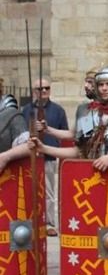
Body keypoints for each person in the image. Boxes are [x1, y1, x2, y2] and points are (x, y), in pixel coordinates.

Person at [33, 65, 108, 169]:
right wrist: (44, 148)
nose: (104, 88)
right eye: (101, 85)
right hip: (91, 179)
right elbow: (78, 152)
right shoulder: (88, 115)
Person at [20, 77, 68, 234]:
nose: (44, 91)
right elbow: (21, 132)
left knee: (49, 192)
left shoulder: (58, 110)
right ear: (34, 91)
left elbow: (65, 134)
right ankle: (30, 220)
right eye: (41, 89)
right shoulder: (26, 110)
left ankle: (49, 223)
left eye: (47, 88)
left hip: (49, 155)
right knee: (29, 188)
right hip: (30, 155)